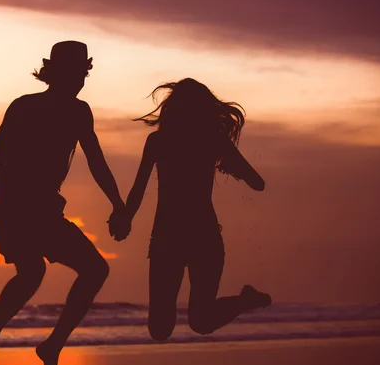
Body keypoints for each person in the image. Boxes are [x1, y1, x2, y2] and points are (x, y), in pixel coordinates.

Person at [0, 41, 126, 365]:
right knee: (32, 273)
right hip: (12, 205)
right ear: (54, 74)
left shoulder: (80, 112)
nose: (80, 81)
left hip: (45, 208)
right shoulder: (24, 106)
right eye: (74, 74)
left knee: (93, 270)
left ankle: (49, 344)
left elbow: (97, 162)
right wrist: (15, 200)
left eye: (83, 74)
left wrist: (118, 205)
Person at [111, 78, 271, 342]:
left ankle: (244, 301)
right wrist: (125, 218)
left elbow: (258, 183)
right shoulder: (158, 141)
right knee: (159, 330)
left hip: (203, 237)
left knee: (201, 322)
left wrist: (235, 169)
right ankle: (245, 301)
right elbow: (138, 189)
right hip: (165, 239)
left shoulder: (213, 140)